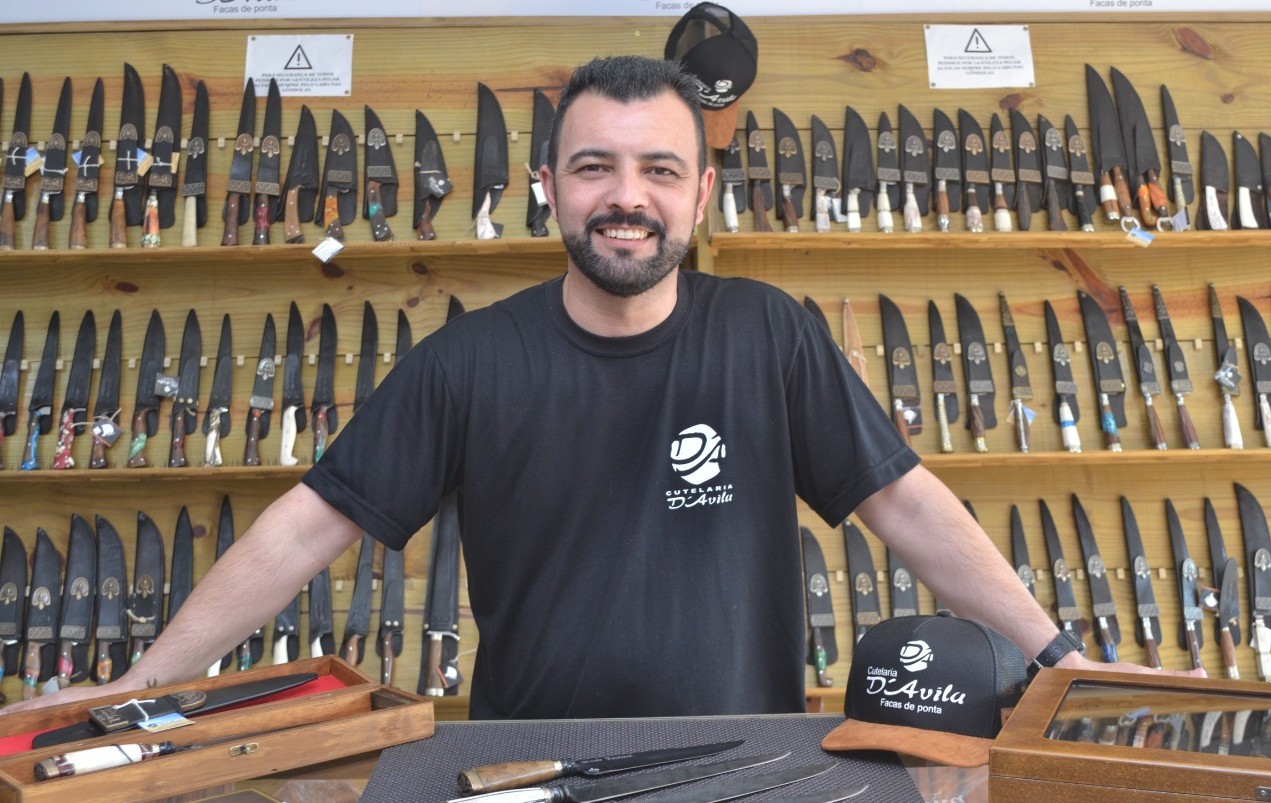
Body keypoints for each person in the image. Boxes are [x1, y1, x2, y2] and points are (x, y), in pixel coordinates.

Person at [3, 55, 1189, 719]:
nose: (627, 195)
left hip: (748, 759)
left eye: (658, 168)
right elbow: (306, 525)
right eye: (595, 167)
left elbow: (908, 505)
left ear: (699, 194)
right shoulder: (468, 358)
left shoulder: (769, 335)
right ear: (548, 188)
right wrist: (146, 680)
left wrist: (1056, 654)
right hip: (524, 764)